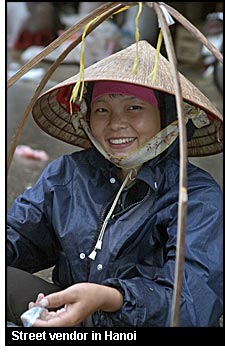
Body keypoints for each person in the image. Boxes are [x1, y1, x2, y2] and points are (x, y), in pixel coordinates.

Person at [7, 40, 223, 327]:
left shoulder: (196, 196)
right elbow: (19, 236)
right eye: (101, 110)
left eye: (134, 107)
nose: (116, 124)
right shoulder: (68, 174)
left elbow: (193, 306)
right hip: (67, 315)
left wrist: (111, 298)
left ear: (168, 117)